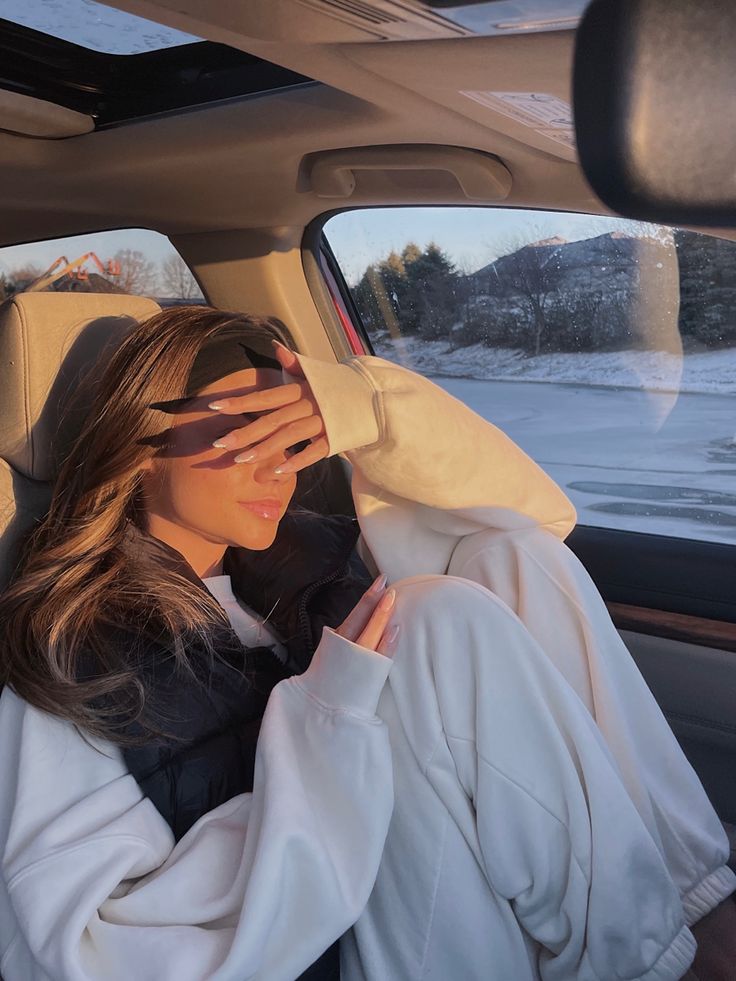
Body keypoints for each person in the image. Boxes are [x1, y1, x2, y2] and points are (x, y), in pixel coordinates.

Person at [0, 306, 733, 980]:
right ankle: (652, 956)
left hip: (413, 891)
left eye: (287, 436)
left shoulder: (305, 559)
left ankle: (685, 909)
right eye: (241, 429)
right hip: (321, 949)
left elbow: (536, 519)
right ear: (141, 441)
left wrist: (368, 408)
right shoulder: (71, 656)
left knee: (512, 557)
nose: (277, 465)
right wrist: (325, 733)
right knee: (436, 619)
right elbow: (80, 956)